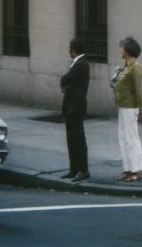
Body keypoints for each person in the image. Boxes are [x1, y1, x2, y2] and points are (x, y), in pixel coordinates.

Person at [113, 36, 142, 182]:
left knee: (132, 138)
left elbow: (139, 89)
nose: (121, 50)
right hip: (122, 105)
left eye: (122, 48)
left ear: (127, 50)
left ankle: (137, 169)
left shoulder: (135, 66)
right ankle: (127, 168)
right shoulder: (126, 66)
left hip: (130, 106)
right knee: (124, 138)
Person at [59, 38, 90, 182]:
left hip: (75, 107)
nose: (68, 51)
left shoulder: (81, 64)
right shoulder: (78, 63)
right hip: (71, 107)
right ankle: (74, 168)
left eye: (70, 48)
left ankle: (83, 170)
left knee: (77, 140)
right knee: (71, 139)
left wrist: (64, 82)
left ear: (74, 49)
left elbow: (67, 78)